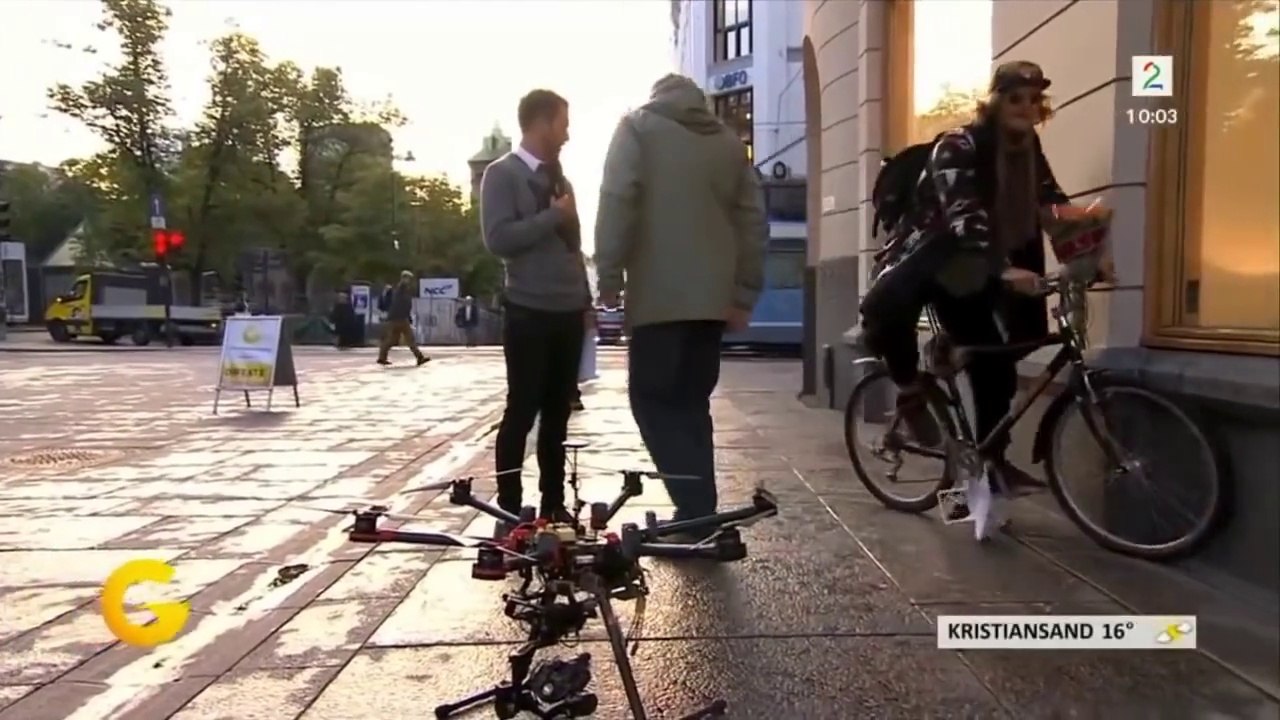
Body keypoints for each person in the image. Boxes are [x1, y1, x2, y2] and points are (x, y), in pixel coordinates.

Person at [859, 61, 1111, 509]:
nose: (1026, 107)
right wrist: (1003, 270)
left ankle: (989, 462)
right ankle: (912, 393)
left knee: (998, 360)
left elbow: (1051, 203)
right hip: (933, 257)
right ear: (995, 102)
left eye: (1034, 100)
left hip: (976, 264)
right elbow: (964, 217)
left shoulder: (1028, 148)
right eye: (1016, 98)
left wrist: (1089, 255)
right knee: (889, 310)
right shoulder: (957, 146)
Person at [594, 73, 767, 523]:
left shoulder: (637, 129)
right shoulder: (728, 143)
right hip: (713, 303)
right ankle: (698, 512)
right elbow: (752, 219)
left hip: (659, 299)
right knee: (691, 405)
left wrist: (608, 275)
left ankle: (693, 512)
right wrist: (744, 292)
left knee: (651, 401)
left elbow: (617, 199)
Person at [480, 88, 593, 525]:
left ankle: (552, 504)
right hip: (528, 309)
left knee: (558, 412)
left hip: (567, 310)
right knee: (522, 408)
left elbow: (573, 245)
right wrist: (553, 217)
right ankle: (508, 506)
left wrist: (585, 301)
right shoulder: (501, 175)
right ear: (541, 123)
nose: (567, 133)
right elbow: (499, 239)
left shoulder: (561, 178)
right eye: (563, 123)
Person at [376, 270, 430, 367]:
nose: (409, 280)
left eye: (409, 279)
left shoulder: (405, 290)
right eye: (407, 278)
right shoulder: (401, 288)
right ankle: (419, 357)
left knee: (394, 340)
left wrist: (408, 316)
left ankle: (382, 358)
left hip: (399, 318)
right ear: (403, 278)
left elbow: (405, 305)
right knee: (404, 340)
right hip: (397, 318)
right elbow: (401, 303)